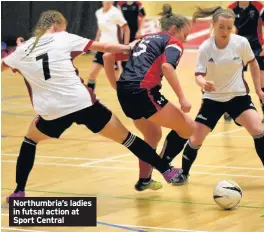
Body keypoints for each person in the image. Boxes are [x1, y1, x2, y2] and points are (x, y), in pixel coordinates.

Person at [1, 10, 186, 203]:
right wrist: (129, 46)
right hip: (82, 103)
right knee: (128, 139)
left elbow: (5, 65)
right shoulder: (62, 37)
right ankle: (167, 170)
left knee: (30, 140)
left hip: (51, 111)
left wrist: (20, 51)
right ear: (56, 26)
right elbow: (104, 46)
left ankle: (19, 191)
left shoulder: (22, 50)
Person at [169, 6, 264, 184]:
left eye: (229, 28)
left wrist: (258, 90)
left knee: (258, 130)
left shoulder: (241, 43)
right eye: (221, 27)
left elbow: (253, 64)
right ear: (213, 25)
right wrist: (203, 83)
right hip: (213, 100)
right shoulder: (206, 47)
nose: (225, 31)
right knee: (196, 139)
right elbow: (198, 74)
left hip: (238, 98)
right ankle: (184, 173)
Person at [103, 4, 196, 191]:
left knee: (152, 135)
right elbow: (167, 67)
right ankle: (164, 165)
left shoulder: (142, 40)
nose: (184, 41)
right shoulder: (172, 41)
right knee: (188, 128)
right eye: (184, 36)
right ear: (174, 29)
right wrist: (182, 98)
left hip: (125, 93)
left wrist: (116, 85)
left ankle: (144, 180)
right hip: (143, 91)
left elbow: (107, 57)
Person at [225, 1, 264, 123]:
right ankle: (229, 110)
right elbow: (226, 27)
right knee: (233, 79)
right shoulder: (231, 9)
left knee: (261, 82)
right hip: (238, 47)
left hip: (257, 47)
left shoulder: (259, 7)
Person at [87, 1, 130, 92]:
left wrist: (125, 46)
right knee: (92, 74)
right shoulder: (98, 12)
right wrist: (96, 41)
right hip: (101, 47)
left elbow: (126, 29)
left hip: (113, 48)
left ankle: (124, 95)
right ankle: (90, 97)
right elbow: (100, 28)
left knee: (117, 79)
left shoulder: (115, 13)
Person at [117, 1, 146, 69]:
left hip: (134, 31)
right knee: (124, 50)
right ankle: (124, 69)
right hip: (123, 32)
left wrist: (139, 30)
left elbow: (143, 16)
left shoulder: (138, 4)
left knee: (134, 50)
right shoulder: (120, 4)